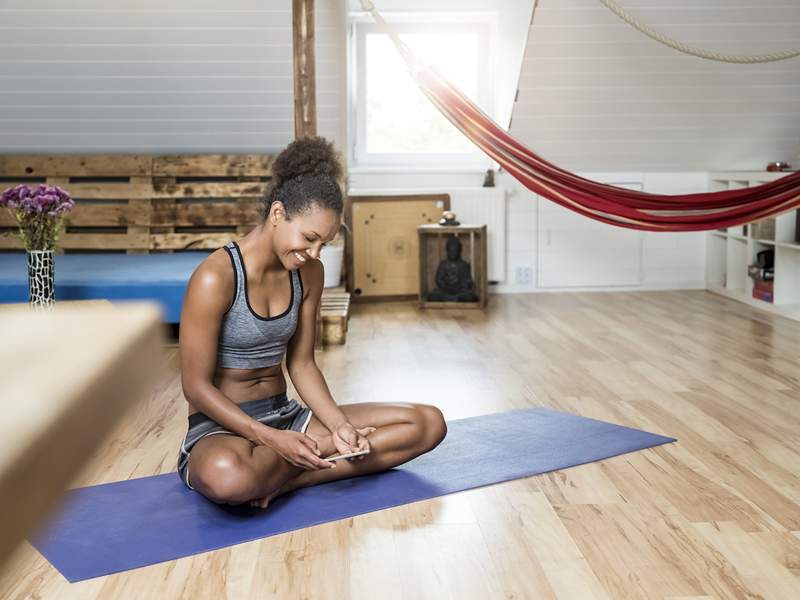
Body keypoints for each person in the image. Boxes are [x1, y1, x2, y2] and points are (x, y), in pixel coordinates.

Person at [177, 136, 447, 509]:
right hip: (225, 429)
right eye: (309, 238)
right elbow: (195, 386)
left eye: (325, 243)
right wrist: (269, 438)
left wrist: (339, 427)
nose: (314, 254)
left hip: (289, 418)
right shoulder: (215, 277)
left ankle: (289, 477)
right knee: (228, 477)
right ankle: (301, 460)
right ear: (277, 214)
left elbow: (301, 363)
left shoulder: (309, 274)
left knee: (427, 423)